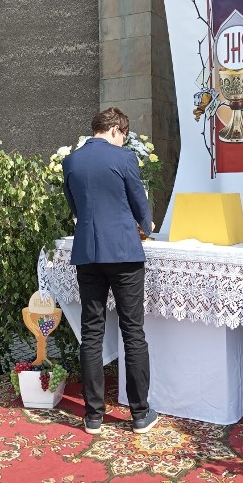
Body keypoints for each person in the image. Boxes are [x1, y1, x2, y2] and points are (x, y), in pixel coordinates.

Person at [61, 107, 158, 435]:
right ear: (116, 130)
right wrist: (147, 224)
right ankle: (140, 414)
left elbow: (75, 208)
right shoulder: (125, 158)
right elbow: (138, 201)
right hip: (124, 252)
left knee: (92, 332)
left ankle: (93, 416)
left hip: (88, 252)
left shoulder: (70, 161)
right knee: (133, 331)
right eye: (124, 137)